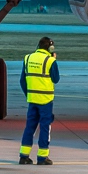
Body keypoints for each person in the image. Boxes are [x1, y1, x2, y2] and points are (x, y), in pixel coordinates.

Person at [18, 36, 60, 165]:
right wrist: (53, 59)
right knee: (45, 127)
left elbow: (22, 81)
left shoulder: (28, 58)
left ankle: (24, 156)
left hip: (32, 99)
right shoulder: (50, 61)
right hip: (45, 100)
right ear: (50, 48)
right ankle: (42, 157)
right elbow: (56, 79)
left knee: (29, 127)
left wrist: (29, 94)